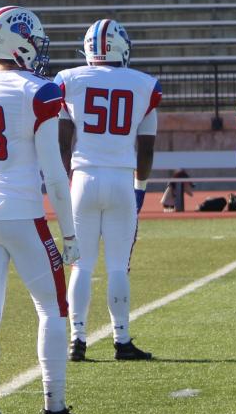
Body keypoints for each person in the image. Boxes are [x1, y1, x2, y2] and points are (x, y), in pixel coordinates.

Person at [0, 6, 102, 414]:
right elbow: (54, 173)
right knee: (52, 309)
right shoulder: (37, 91)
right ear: (18, 43)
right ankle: (54, 409)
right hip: (22, 216)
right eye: (33, 41)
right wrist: (69, 234)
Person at [55, 19, 161, 362]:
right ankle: (121, 339)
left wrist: (63, 183)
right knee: (117, 266)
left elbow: (62, 144)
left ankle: (78, 339)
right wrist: (140, 188)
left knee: (81, 266)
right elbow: (146, 149)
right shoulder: (143, 84)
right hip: (120, 179)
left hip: (82, 178)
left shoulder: (69, 80)